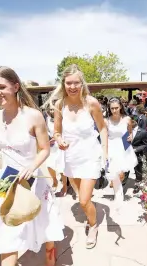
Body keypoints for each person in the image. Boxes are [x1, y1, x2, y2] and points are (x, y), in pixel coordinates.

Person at [0, 66, 64, 266]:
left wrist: (31, 167)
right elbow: (5, 148)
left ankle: (50, 250)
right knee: (5, 227)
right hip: (9, 181)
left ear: (15, 86)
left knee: (42, 220)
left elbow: (45, 149)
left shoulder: (33, 115)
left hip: (32, 179)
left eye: (1, 87)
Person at [50, 64, 108, 249]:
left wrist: (105, 152)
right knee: (81, 198)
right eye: (69, 83)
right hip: (70, 158)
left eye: (76, 83)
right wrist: (59, 139)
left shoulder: (91, 103)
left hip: (90, 156)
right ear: (63, 84)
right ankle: (90, 211)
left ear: (82, 84)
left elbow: (103, 128)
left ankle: (93, 225)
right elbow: (57, 131)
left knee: (83, 200)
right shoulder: (59, 104)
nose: (72, 87)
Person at [105, 98, 138, 201]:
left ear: (120, 107)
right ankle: (118, 195)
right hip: (111, 147)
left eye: (116, 108)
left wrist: (131, 136)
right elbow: (104, 136)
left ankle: (118, 192)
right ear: (109, 109)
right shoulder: (106, 121)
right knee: (114, 172)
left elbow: (130, 131)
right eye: (112, 108)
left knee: (121, 173)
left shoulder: (127, 119)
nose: (114, 110)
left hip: (123, 147)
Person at [128, 119, 147, 194]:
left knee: (138, 171)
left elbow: (145, 144)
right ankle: (122, 184)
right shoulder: (126, 130)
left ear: (134, 123)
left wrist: (136, 149)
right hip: (127, 154)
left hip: (137, 154)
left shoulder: (143, 132)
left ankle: (138, 185)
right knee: (126, 170)